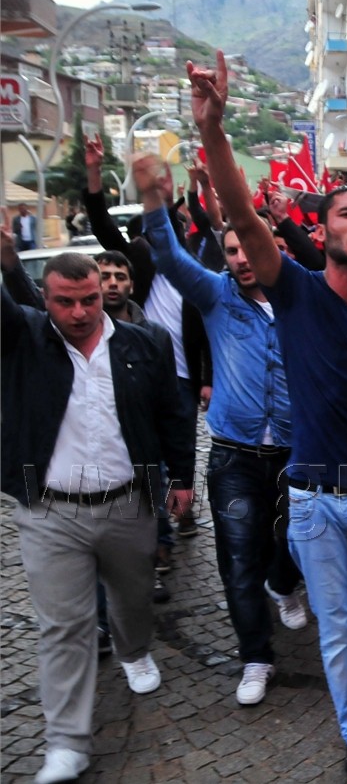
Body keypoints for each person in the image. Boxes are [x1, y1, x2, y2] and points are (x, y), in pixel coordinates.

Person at [189, 50, 347, 784]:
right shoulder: (291, 290)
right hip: (315, 504)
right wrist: (215, 132)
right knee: (337, 633)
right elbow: (238, 211)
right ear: (320, 231)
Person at [1, 240, 194, 784]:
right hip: (50, 511)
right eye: (65, 302)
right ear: (46, 299)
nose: (80, 312)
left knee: (132, 600)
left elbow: (171, 416)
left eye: (88, 299)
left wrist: (179, 480)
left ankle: (134, 650)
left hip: (128, 505)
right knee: (63, 626)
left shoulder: (144, 343)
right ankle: (67, 742)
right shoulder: (26, 339)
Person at [133, 151, 308, 708]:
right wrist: (154, 200)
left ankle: (283, 585)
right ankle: (256, 656)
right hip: (233, 457)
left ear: (270, 248)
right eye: (229, 250)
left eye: (247, 247)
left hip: (296, 453)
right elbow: (167, 255)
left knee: (293, 544)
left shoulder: (302, 297)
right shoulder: (214, 295)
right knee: (237, 556)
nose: (239, 258)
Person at [83, 134, 208, 539]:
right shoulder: (136, 259)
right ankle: (154, 528)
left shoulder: (189, 267)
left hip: (185, 369)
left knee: (183, 438)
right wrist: (94, 173)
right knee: (145, 445)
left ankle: (184, 505)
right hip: (142, 366)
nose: (165, 235)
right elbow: (103, 226)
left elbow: (202, 329)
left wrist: (207, 377)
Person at [94, 249, 176, 603]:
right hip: (97, 449)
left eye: (120, 276)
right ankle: (100, 617)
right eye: (105, 275)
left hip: (145, 449)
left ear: (131, 284)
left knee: (149, 516)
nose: (112, 283)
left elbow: (170, 404)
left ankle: (151, 568)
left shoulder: (154, 335)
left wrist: (178, 465)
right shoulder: (77, 331)